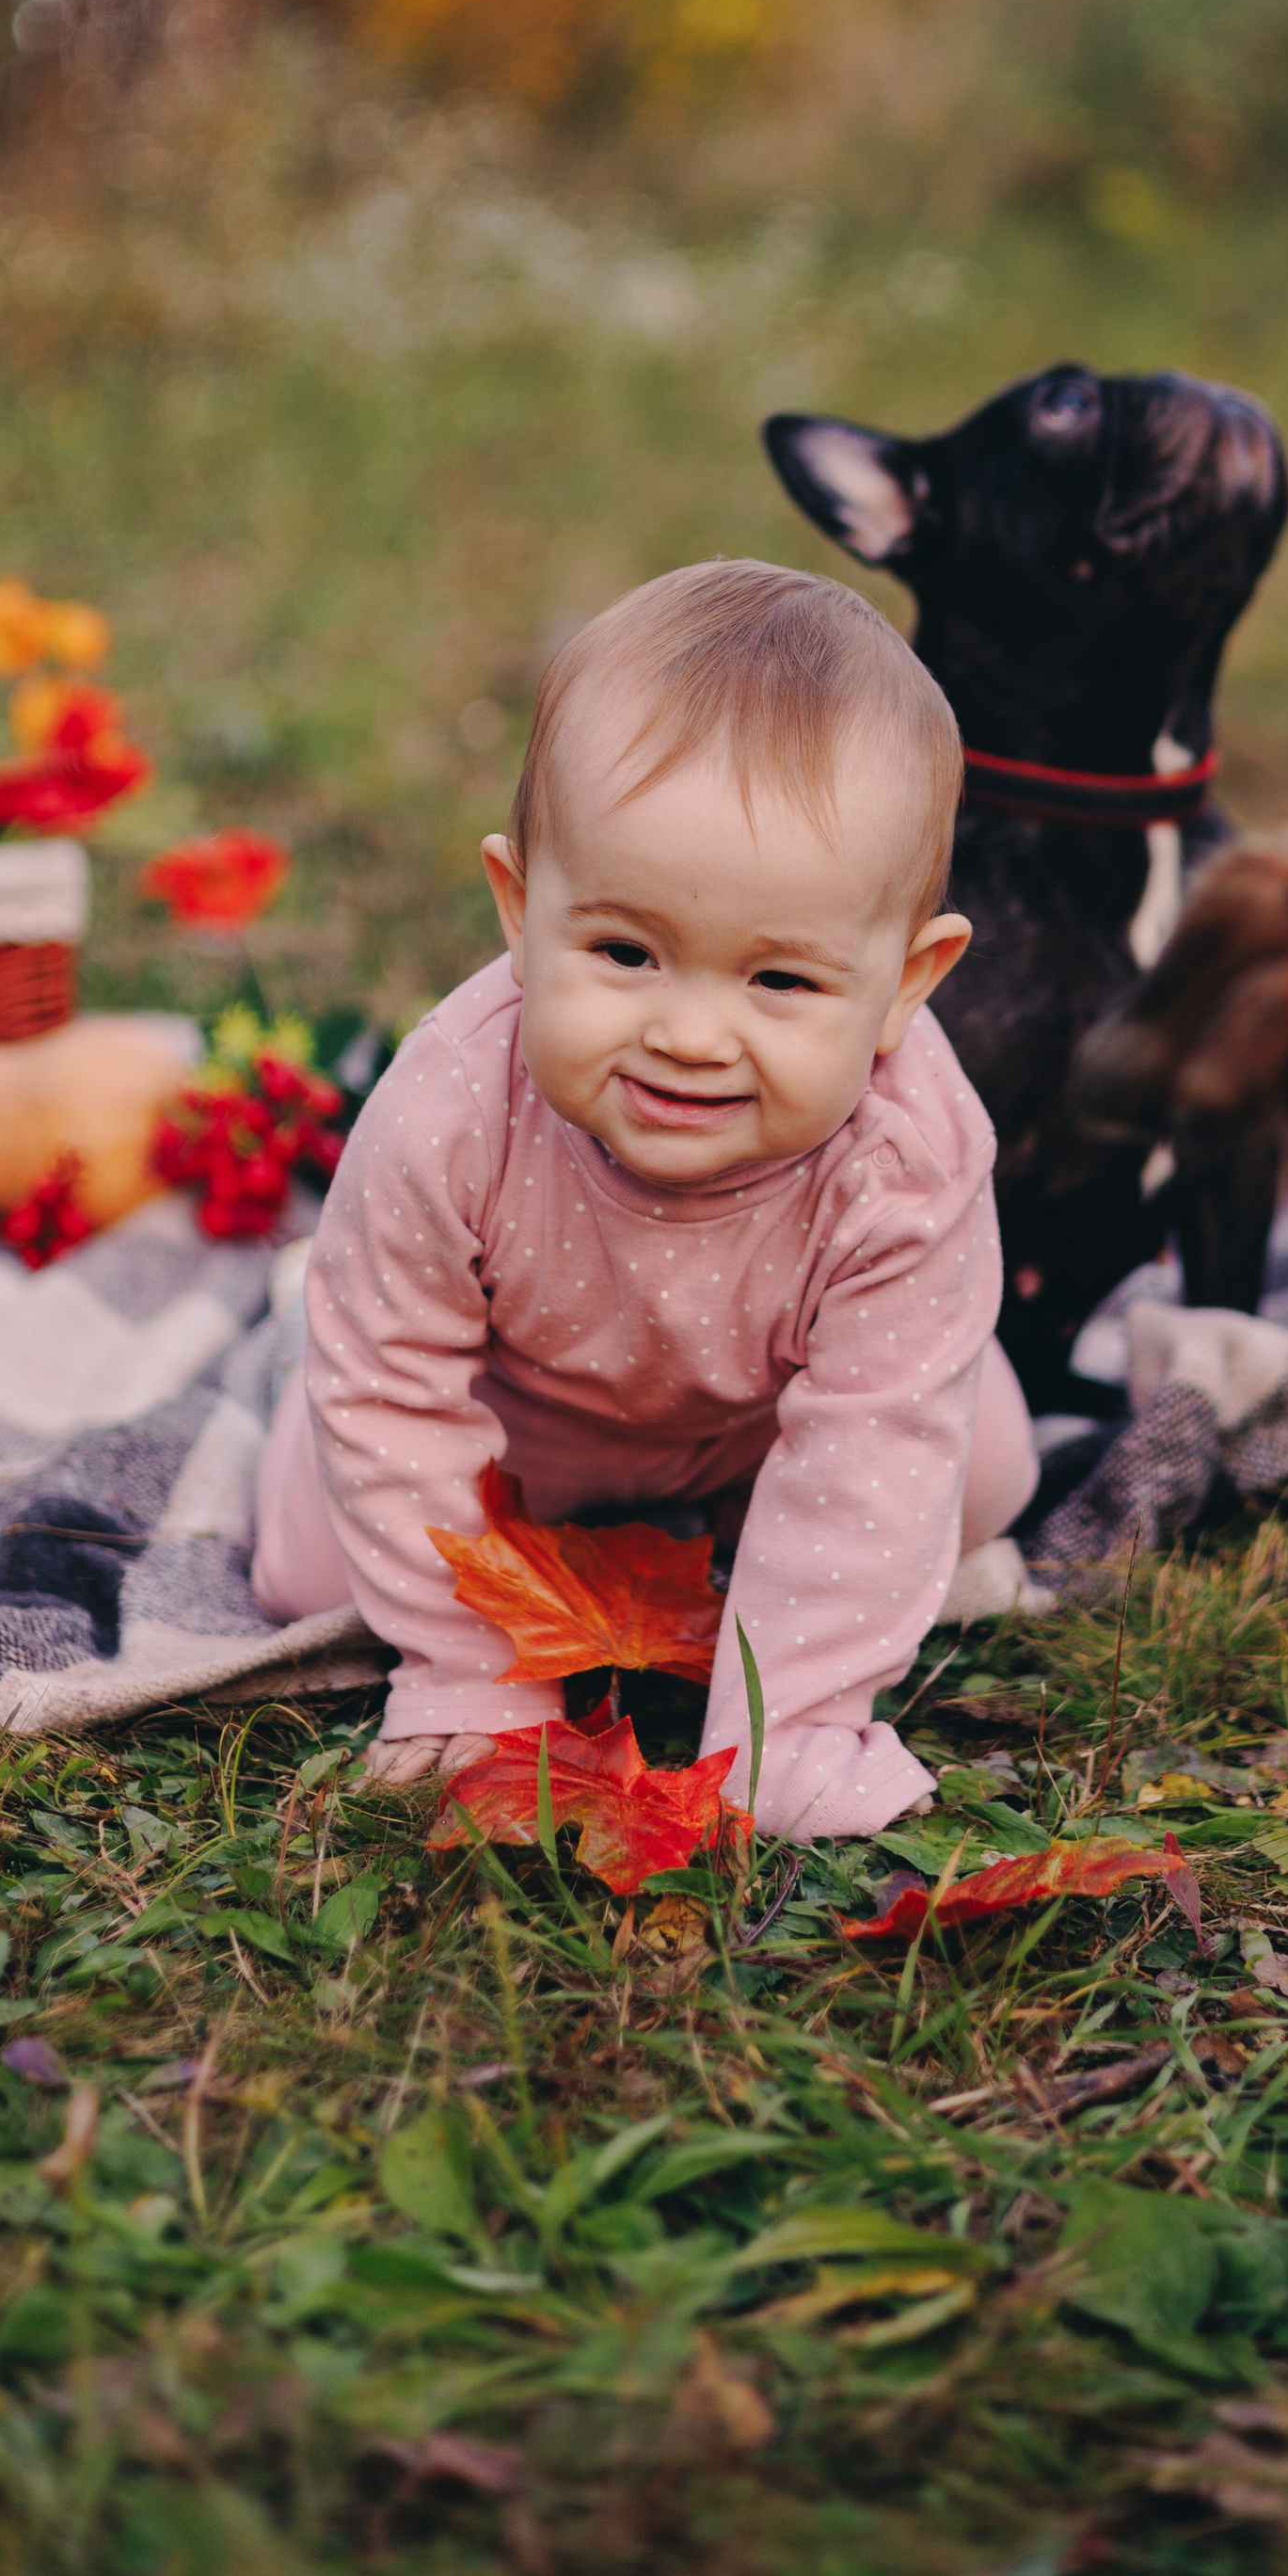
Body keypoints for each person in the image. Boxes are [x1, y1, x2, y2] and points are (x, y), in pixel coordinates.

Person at [249, 559, 1039, 1838]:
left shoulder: (910, 1154)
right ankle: (322, 1409)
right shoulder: (455, 1105)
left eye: (779, 982)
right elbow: (397, 1374)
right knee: (303, 1573)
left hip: (771, 1414)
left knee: (978, 1471)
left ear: (908, 982)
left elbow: (877, 1432)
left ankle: (760, 1548)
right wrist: (469, 1677)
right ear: (520, 912)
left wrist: (786, 1734)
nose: (688, 1034)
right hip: (516, 1413)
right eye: (624, 953)